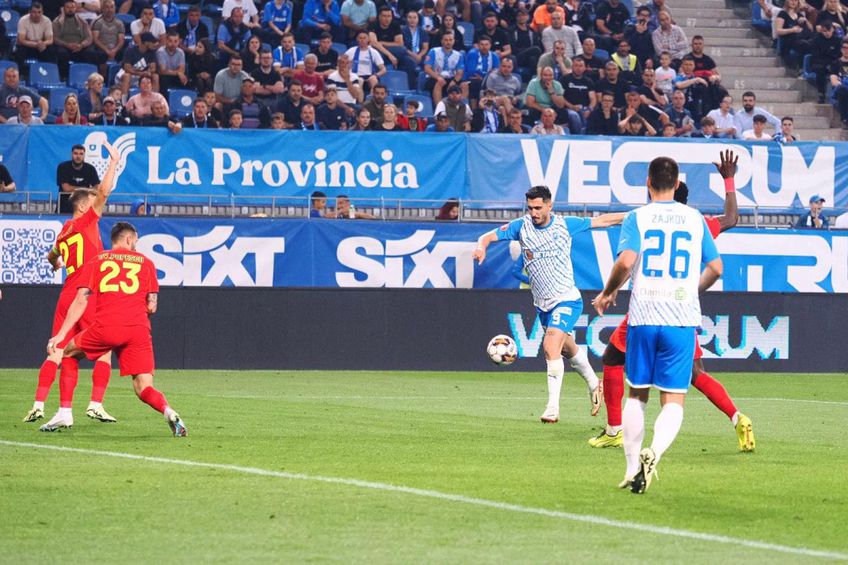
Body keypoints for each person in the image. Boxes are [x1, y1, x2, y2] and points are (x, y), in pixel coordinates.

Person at [591, 151, 755, 456]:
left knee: (616, 361)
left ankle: (616, 430)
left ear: (653, 186)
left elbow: (630, 262)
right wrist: (729, 179)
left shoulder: (645, 217)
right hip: (682, 310)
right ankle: (737, 416)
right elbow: (731, 219)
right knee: (694, 374)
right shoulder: (699, 223)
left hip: (649, 307)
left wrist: (610, 291)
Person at [474, 186, 624, 423]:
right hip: (542, 305)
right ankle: (595, 384)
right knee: (566, 348)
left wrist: (633, 216)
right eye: (530, 208)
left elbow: (602, 221)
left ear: (549, 205)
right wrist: (481, 246)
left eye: (538, 207)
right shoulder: (521, 227)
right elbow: (488, 236)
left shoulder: (565, 225)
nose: (533, 213)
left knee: (550, 345)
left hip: (567, 299)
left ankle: (552, 407)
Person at [46, 221, 187, 437]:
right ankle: (170, 412)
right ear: (128, 239)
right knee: (143, 387)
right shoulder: (147, 263)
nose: (136, 245)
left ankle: (65, 412)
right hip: (138, 330)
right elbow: (152, 305)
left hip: (107, 327)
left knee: (68, 353)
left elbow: (81, 300)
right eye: (136, 241)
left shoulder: (98, 260)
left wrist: (62, 334)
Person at [26, 142, 119, 429]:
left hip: (67, 293)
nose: (96, 203)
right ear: (82, 206)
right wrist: (113, 161)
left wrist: (55, 263)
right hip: (87, 293)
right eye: (90, 201)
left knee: (62, 350)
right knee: (103, 349)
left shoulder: (64, 231)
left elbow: (50, 256)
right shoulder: (85, 222)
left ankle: (56, 408)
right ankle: (96, 404)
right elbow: (104, 191)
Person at [53, 0, 104, 79]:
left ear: (75, 8)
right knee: (61, 53)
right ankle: (64, 77)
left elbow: (89, 38)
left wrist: (81, 45)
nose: (70, 9)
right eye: (68, 7)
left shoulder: (83, 21)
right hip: (65, 47)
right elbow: (55, 38)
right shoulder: (57, 22)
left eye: (72, 7)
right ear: (64, 8)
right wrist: (66, 45)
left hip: (79, 47)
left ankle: (88, 77)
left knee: (90, 52)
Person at [56, 144, 100, 215]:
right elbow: (66, 188)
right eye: (75, 153)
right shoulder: (63, 167)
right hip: (64, 208)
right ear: (71, 154)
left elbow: (97, 187)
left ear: (84, 155)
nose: (78, 156)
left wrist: (76, 189)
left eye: (81, 154)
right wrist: (87, 190)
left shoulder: (90, 169)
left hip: (84, 208)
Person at [424, 31, 465, 104]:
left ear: (454, 41)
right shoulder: (433, 51)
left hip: (451, 78)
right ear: (442, 41)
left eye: (450, 40)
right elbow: (427, 68)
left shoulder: (459, 55)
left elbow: (460, 72)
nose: (448, 42)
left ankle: (460, 109)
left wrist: (454, 81)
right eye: (446, 40)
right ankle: (439, 111)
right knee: (439, 83)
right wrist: (438, 78)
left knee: (464, 85)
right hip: (435, 78)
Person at [14, 3, 57, 71]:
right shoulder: (23, 20)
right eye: (34, 12)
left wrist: (43, 43)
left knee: (51, 50)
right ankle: (20, 74)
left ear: (42, 12)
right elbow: (21, 40)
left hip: (41, 45)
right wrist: (36, 44)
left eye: (39, 12)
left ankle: (50, 73)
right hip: (27, 45)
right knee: (20, 51)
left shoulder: (47, 21)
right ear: (29, 12)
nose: (37, 15)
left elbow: (50, 40)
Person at [119, 32, 160, 96]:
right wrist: (141, 73)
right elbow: (127, 68)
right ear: (146, 42)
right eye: (152, 42)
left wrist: (148, 72)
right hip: (125, 75)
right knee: (127, 76)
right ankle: (123, 102)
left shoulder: (151, 52)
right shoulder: (131, 50)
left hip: (141, 76)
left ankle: (154, 100)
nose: (154, 44)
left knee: (155, 76)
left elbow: (153, 68)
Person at [91, 0, 126, 71]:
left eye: (111, 7)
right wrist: (107, 50)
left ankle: (118, 74)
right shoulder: (98, 22)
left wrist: (114, 50)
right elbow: (96, 39)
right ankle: (102, 75)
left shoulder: (119, 23)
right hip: (102, 48)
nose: (109, 10)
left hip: (115, 48)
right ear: (103, 8)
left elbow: (121, 40)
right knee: (100, 54)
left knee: (125, 52)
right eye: (107, 7)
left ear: (115, 8)